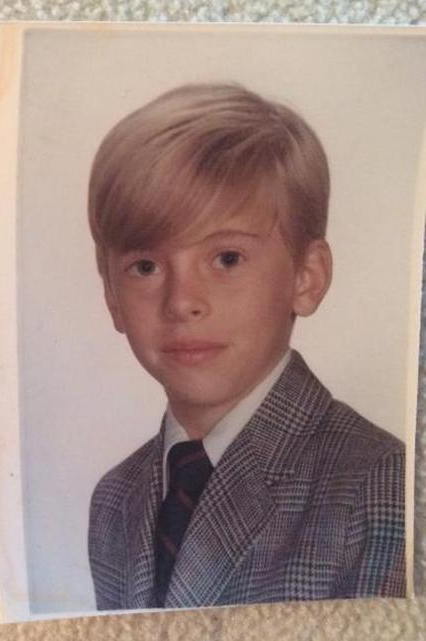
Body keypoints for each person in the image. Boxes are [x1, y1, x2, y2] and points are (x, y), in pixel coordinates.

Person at [85, 83, 405, 609]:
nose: (182, 302)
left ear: (307, 276)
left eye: (227, 258)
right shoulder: (116, 498)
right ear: (112, 296)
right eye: (146, 266)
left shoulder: (378, 487)